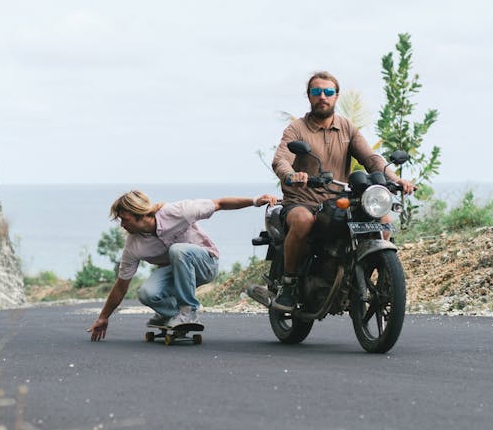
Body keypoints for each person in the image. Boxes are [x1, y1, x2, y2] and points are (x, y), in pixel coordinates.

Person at [270, 71, 415, 311]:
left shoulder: (347, 128)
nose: (322, 97)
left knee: (383, 218)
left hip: (339, 201)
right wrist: (291, 175)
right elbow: (281, 159)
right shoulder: (296, 129)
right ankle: (289, 283)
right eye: (317, 92)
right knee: (304, 220)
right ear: (309, 96)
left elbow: (370, 158)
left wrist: (395, 178)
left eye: (328, 92)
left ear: (336, 96)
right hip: (302, 200)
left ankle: (365, 272)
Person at [87, 190, 277, 341]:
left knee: (178, 250)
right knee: (147, 293)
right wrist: (103, 317)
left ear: (140, 214)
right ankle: (173, 314)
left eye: (124, 219)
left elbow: (219, 203)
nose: (122, 225)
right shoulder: (133, 246)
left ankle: (188, 311)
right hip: (177, 273)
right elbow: (121, 285)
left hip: (206, 263)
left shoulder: (177, 212)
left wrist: (254, 201)